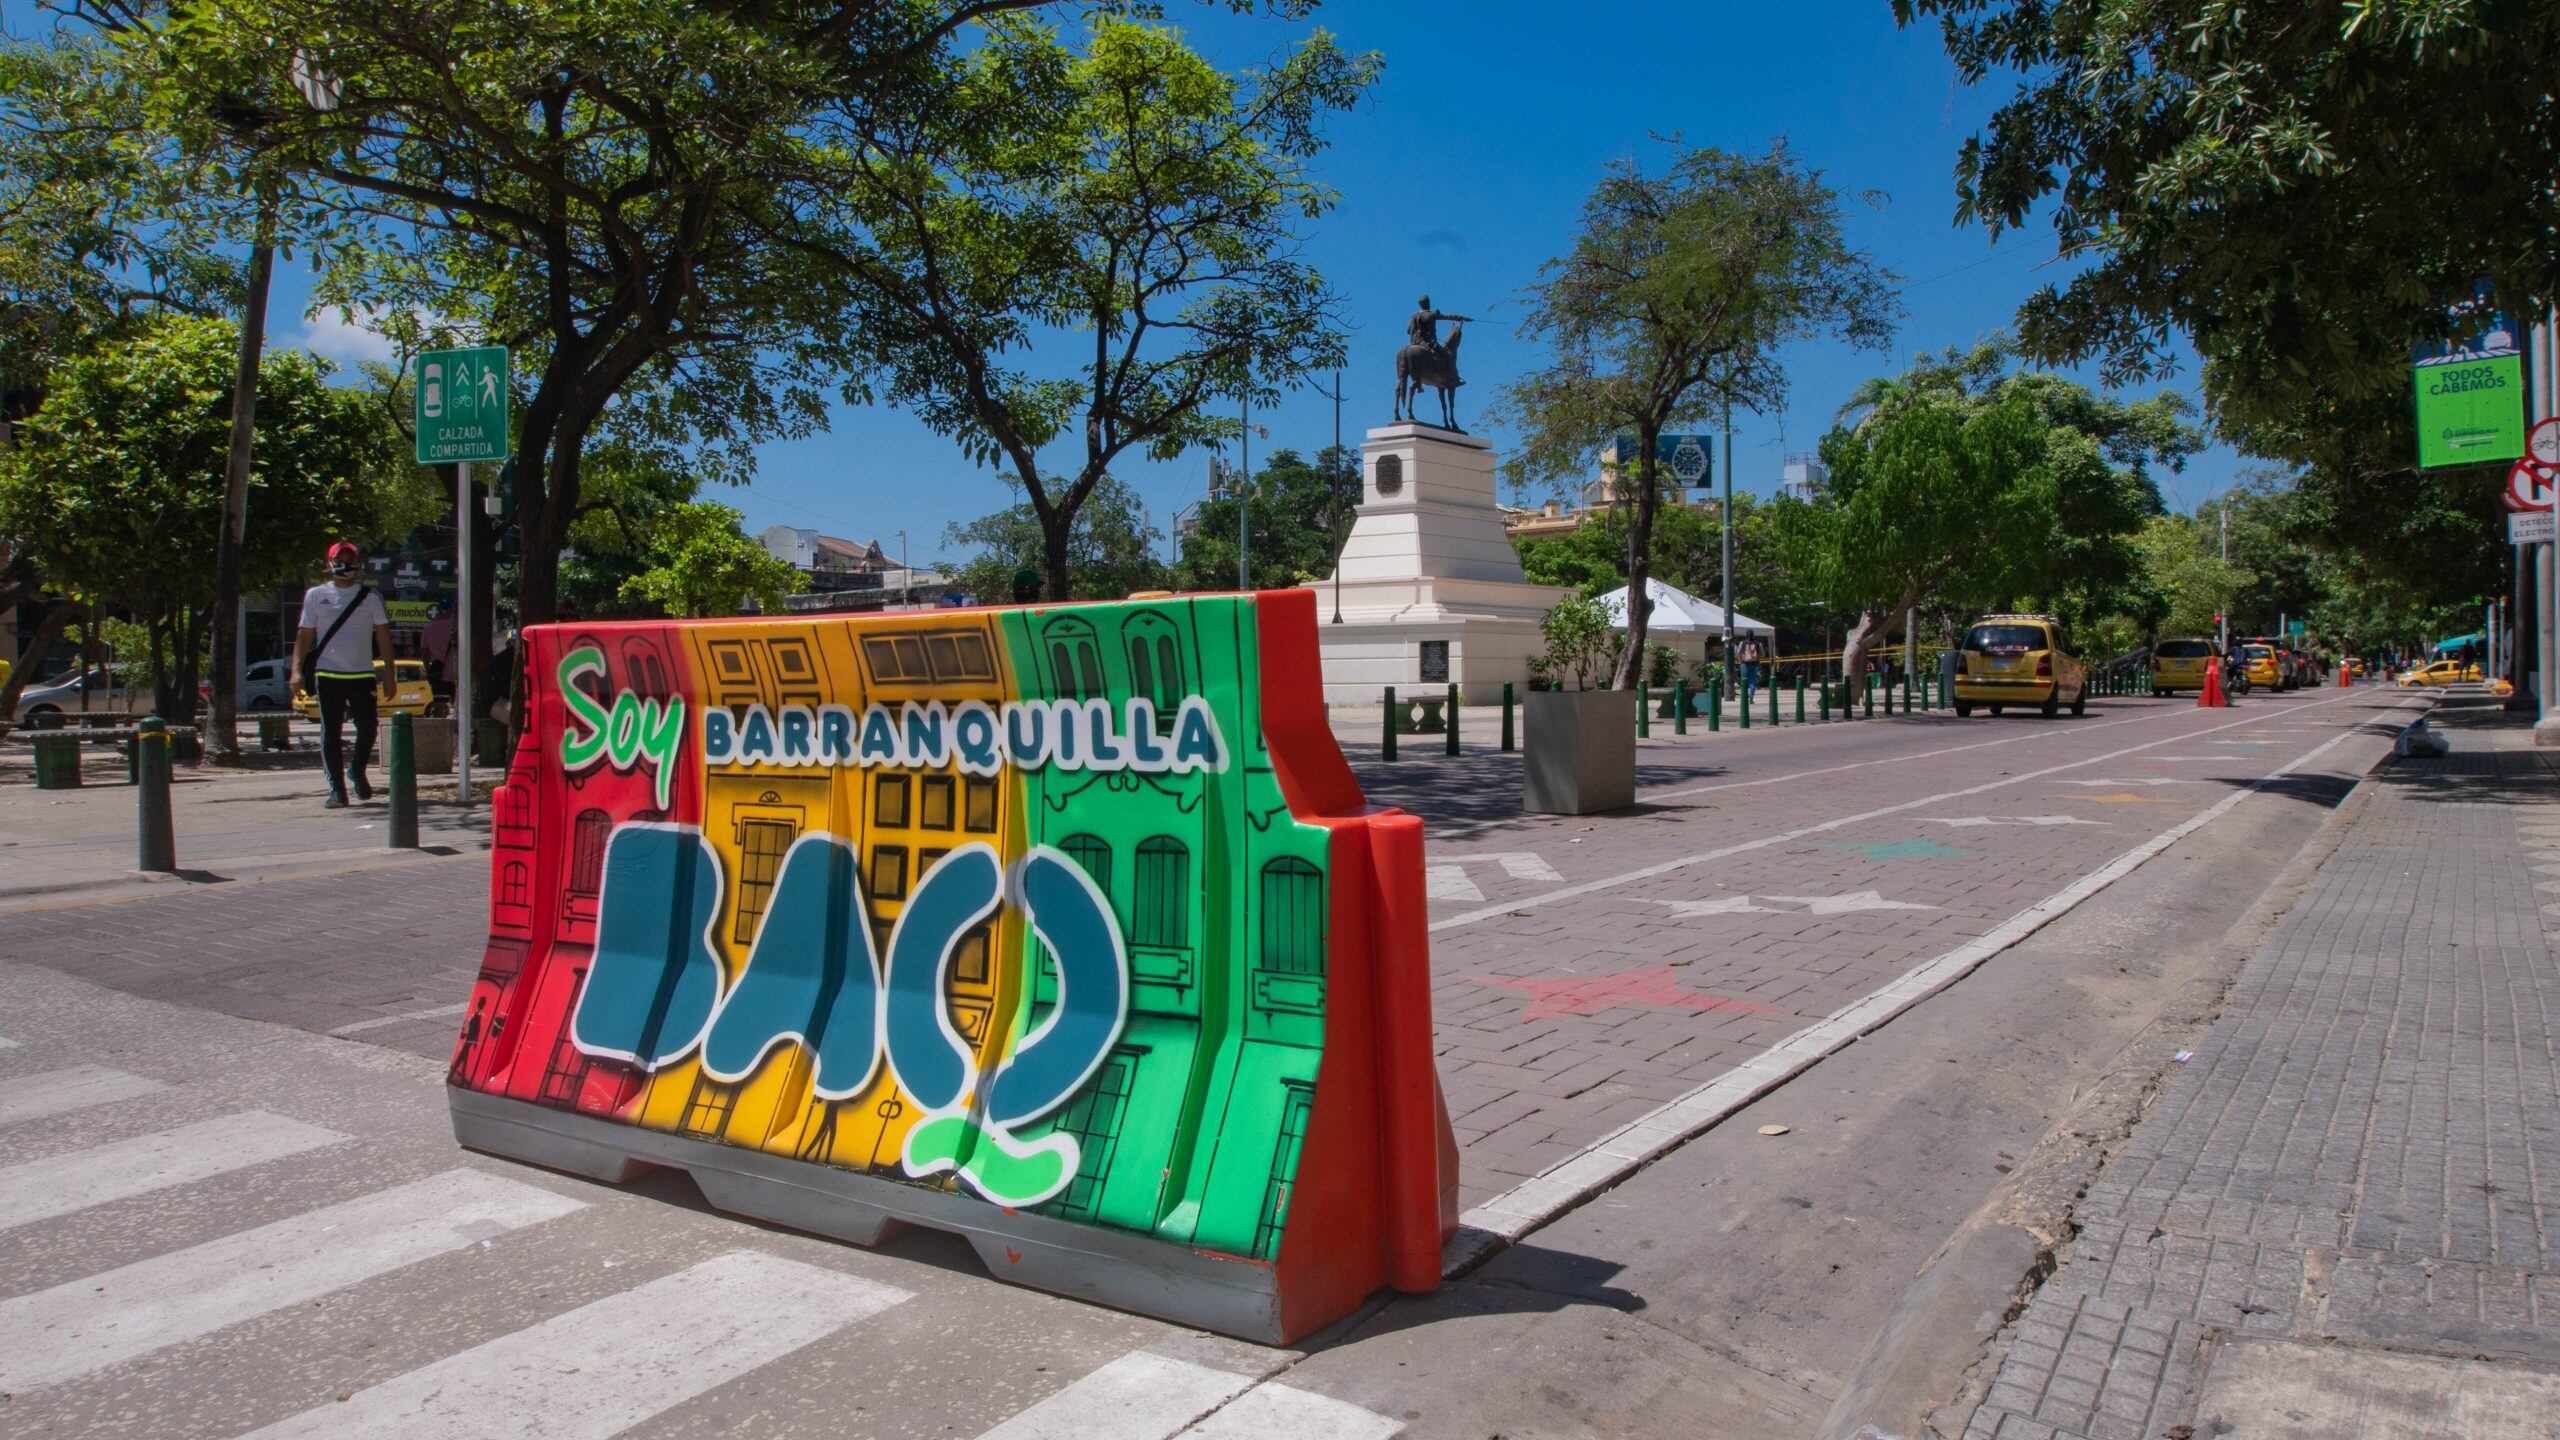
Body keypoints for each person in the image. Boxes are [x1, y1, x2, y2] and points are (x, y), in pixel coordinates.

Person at [293, 541, 394, 808]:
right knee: (331, 732)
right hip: (328, 673)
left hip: (362, 674)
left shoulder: (371, 598)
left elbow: (383, 636)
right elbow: (305, 634)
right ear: (329, 564)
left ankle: (357, 769)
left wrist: (390, 674)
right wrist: (296, 671)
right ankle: (336, 789)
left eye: (350, 559)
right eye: (339, 560)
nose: (344, 565)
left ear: (358, 564)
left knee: (368, 727)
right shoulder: (316, 595)